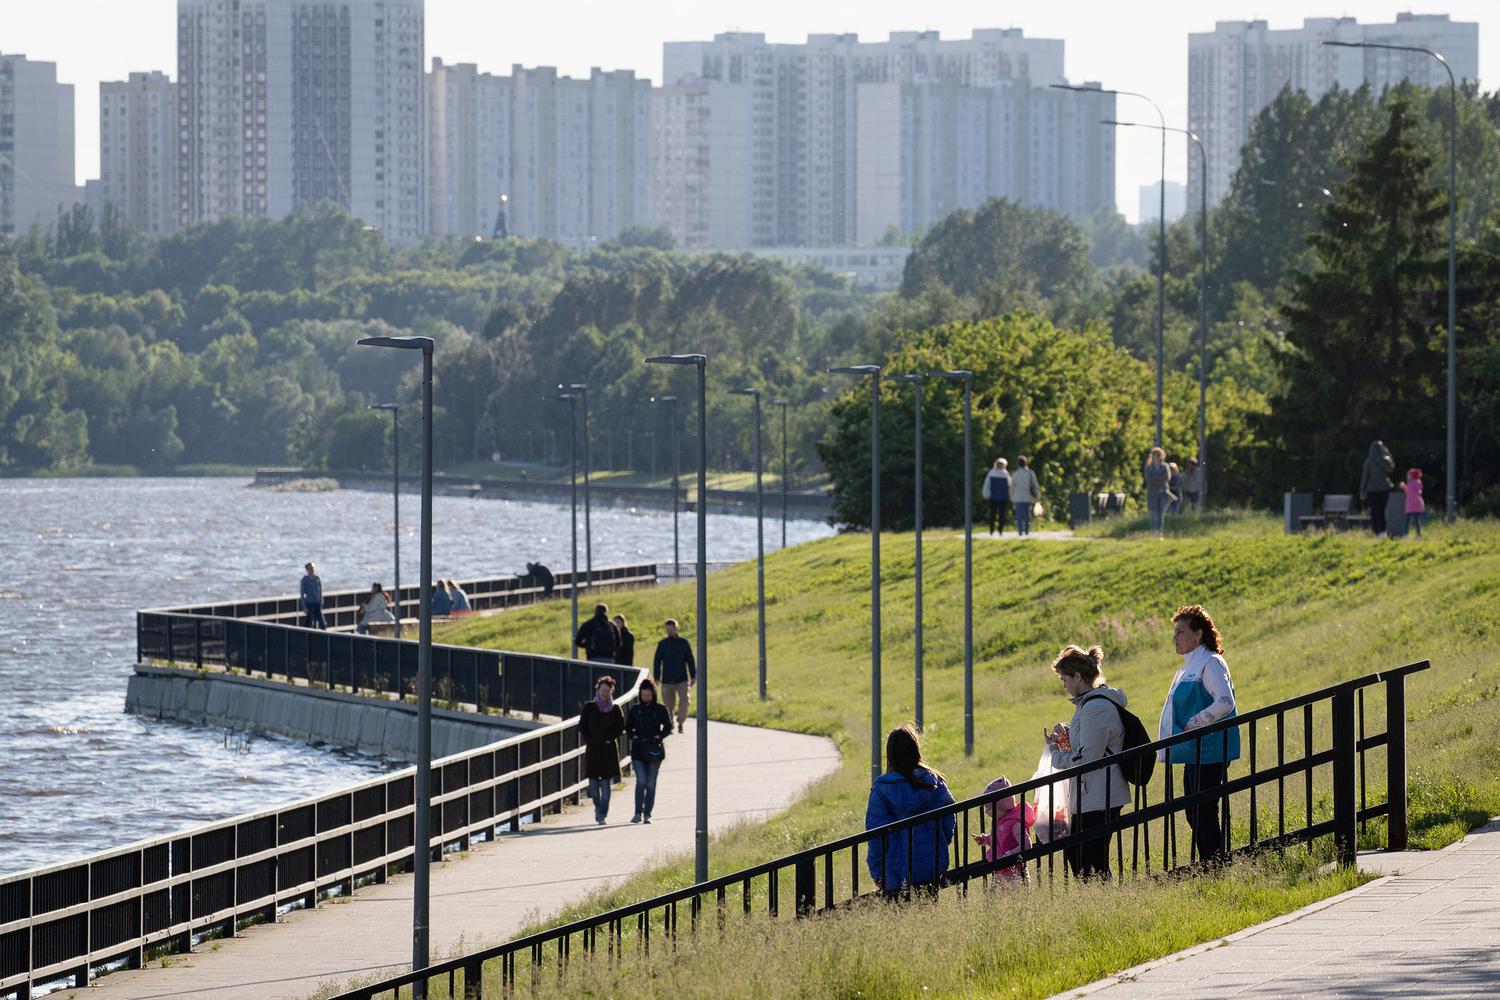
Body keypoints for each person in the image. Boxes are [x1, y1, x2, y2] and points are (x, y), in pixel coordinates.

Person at [1159, 605, 1239, 864]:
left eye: (1180, 632)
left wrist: (1195, 722)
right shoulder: (1187, 667)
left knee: (1203, 811)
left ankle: (1215, 865)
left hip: (1210, 749)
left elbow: (1225, 701)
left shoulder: (1211, 663)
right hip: (1194, 751)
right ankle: (1209, 863)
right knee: (1193, 812)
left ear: (1198, 634)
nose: (1175, 637)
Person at [1045, 645, 1130, 879]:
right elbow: (1091, 743)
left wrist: (1055, 752)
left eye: (1064, 679)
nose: (1063, 685)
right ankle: (1105, 902)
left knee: (1087, 858)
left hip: (1100, 793)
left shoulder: (1096, 707)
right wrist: (1068, 733)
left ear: (1078, 676)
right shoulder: (1091, 705)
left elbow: (1088, 757)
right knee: (1082, 855)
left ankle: (1107, 905)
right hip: (1093, 792)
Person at [865, 723, 956, 895]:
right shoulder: (934, 782)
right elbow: (949, 819)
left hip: (895, 873)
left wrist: (877, 871)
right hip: (931, 864)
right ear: (916, 750)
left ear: (890, 754)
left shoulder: (882, 789)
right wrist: (939, 844)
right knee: (928, 916)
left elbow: (876, 835)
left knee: (899, 918)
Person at [971, 775, 1035, 885]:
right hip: (1001, 873)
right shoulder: (1000, 821)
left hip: (1016, 875)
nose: (986, 812)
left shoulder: (1015, 823)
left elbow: (1026, 845)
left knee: (1013, 900)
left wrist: (1009, 855)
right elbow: (1000, 840)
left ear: (1001, 807)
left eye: (989, 809)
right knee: (991, 900)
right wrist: (985, 839)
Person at [626, 678, 672, 824]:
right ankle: (637, 812)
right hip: (638, 750)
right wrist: (633, 735)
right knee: (641, 780)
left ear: (653, 694)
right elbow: (627, 727)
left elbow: (668, 726)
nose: (646, 698)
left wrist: (660, 735)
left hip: (654, 751)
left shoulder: (660, 709)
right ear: (640, 695)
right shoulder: (635, 710)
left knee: (651, 782)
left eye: (648, 695)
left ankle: (647, 813)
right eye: (644, 695)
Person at [580, 676, 624, 825]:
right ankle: (597, 806)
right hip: (593, 750)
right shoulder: (589, 707)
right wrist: (589, 740)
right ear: (598, 690)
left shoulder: (615, 709)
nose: (605, 693)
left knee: (605, 784)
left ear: (611, 692)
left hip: (608, 750)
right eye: (603, 690)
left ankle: (602, 814)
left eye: (608, 691)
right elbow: (582, 726)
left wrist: (609, 739)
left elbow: (620, 728)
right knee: (593, 788)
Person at [652, 619, 696, 733]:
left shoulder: (683, 643)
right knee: (668, 705)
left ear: (676, 628)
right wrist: (656, 676)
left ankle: (681, 722)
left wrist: (693, 675)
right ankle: (670, 723)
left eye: (671, 629)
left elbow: (690, 659)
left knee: (684, 701)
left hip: (682, 678)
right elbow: (657, 661)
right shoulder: (663, 644)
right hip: (667, 679)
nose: (669, 631)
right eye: (667, 629)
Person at [1360, 440, 1396, 537]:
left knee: (1374, 511)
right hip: (1384, 489)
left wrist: (1362, 490)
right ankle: (1384, 532)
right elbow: (1392, 468)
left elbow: (1365, 477)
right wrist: (1388, 454)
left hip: (1372, 490)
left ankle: (1377, 532)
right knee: (1382, 511)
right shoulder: (1385, 459)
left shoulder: (1368, 461)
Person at [1143, 447, 1174, 537]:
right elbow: (1149, 480)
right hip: (1152, 493)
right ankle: (1153, 532)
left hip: (1163, 492)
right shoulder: (1148, 467)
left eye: (1158, 455)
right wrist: (1159, 480)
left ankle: (1159, 532)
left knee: (1161, 513)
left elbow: (1167, 478)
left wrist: (1156, 479)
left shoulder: (1165, 466)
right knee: (1153, 513)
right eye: (1155, 454)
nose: (1156, 456)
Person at [1009, 456, 1041, 536]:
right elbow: (1035, 485)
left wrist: (1011, 496)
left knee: (1019, 514)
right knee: (1027, 515)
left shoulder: (1015, 474)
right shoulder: (1030, 473)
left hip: (1018, 497)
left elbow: (1012, 486)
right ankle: (1027, 530)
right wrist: (1037, 496)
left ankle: (1020, 530)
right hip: (1028, 496)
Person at [982, 457, 1012, 536]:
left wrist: (986, 495)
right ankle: (997, 530)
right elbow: (1010, 485)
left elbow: (987, 485)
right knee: (998, 515)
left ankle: (996, 530)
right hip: (1000, 497)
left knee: (995, 514)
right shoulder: (1005, 473)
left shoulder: (993, 473)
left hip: (995, 497)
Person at [300, 563, 326, 630]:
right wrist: (304, 607)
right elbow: (302, 594)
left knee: (323, 624)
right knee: (311, 624)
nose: (312, 570)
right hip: (309, 604)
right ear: (307, 570)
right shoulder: (304, 580)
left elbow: (320, 591)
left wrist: (321, 600)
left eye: (313, 568)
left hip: (317, 604)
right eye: (310, 568)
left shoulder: (317, 579)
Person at [1403, 468, 1425, 539]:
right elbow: (1409, 492)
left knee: (1412, 521)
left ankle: (1415, 535)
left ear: (1412, 475)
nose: (1407, 476)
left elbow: (1416, 493)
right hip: (1412, 505)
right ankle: (1414, 535)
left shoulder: (1416, 482)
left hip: (1414, 505)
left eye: (1409, 475)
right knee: (1414, 521)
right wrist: (1404, 487)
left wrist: (1414, 501)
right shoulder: (1411, 483)